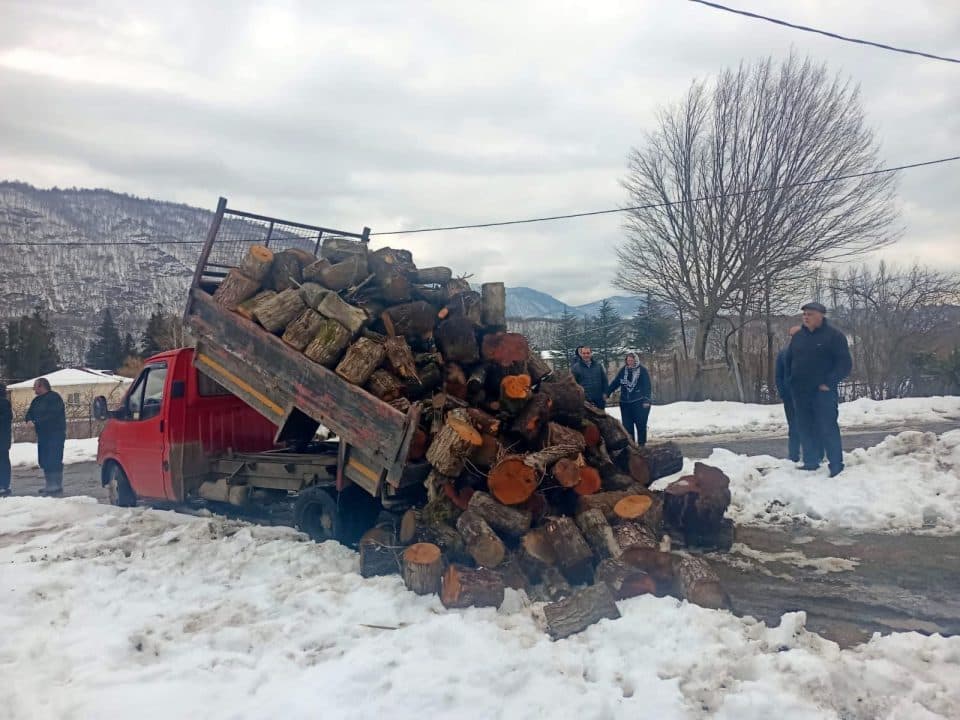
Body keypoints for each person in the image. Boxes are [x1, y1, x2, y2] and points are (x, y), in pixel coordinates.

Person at [784, 302, 852, 477]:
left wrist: (829, 382)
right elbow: (789, 360)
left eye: (810, 314)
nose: (806, 317)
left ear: (821, 315)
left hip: (823, 391)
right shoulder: (799, 337)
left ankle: (836, 463)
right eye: (804, 314)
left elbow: (844, 364)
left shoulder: (834, 336)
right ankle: (811, 461)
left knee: (827, 426)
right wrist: (790, 380)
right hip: (800, 390)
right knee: (805, 426)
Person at [25, 377, 67, 496]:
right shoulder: (36, 401)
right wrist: (29, 420)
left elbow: (52, 415)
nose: (33, 389)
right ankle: (49, 484)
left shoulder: (54, 398)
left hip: (55, 433)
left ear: (42, 386)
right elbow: (29, 413)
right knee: (44, 459)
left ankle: (56, 485)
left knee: (54, 458)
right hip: (42, 434)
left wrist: (37, 422)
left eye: (35, 386)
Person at [611, 352, 652, 444]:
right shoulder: (623, 371)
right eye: (628, 360)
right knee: (627, 426)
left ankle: (642, 445)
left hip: (639, 402)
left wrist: (647, 399)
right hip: (625, 403)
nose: (630, 362)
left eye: (631, 360)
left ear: (635, 360)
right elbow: (616, 382)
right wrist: (607, 392)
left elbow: (647, 386)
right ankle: (631, 445)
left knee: (641, 425)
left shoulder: (642, 370)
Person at [775, 326, 803, 463]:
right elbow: (778, 376)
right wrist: (783, 393)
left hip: (807, 396)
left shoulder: (810, 353)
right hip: (790, 397)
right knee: (793, 427)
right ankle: (794, 455)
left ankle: (814, 454)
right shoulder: (784, 354)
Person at [0, 383, 11, 498]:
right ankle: (4, 484)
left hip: (2, 439)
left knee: (3, 462)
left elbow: (6, 418)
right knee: (3, 461)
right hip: (4, 438)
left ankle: (4, 485)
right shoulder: (5, 402)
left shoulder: (3, 403)